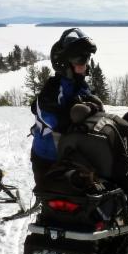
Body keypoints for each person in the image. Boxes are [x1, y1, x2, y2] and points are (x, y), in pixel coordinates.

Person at [30, 28, 103, 189]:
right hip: (48, 158)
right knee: (54, 201)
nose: (85, 65)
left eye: (87, 59)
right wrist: (78, 110)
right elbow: (53, 118)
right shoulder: (53, 88)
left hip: (71, 155)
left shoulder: (81, 86)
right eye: (80, 60)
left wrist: (93, 107)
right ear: (65, 63)